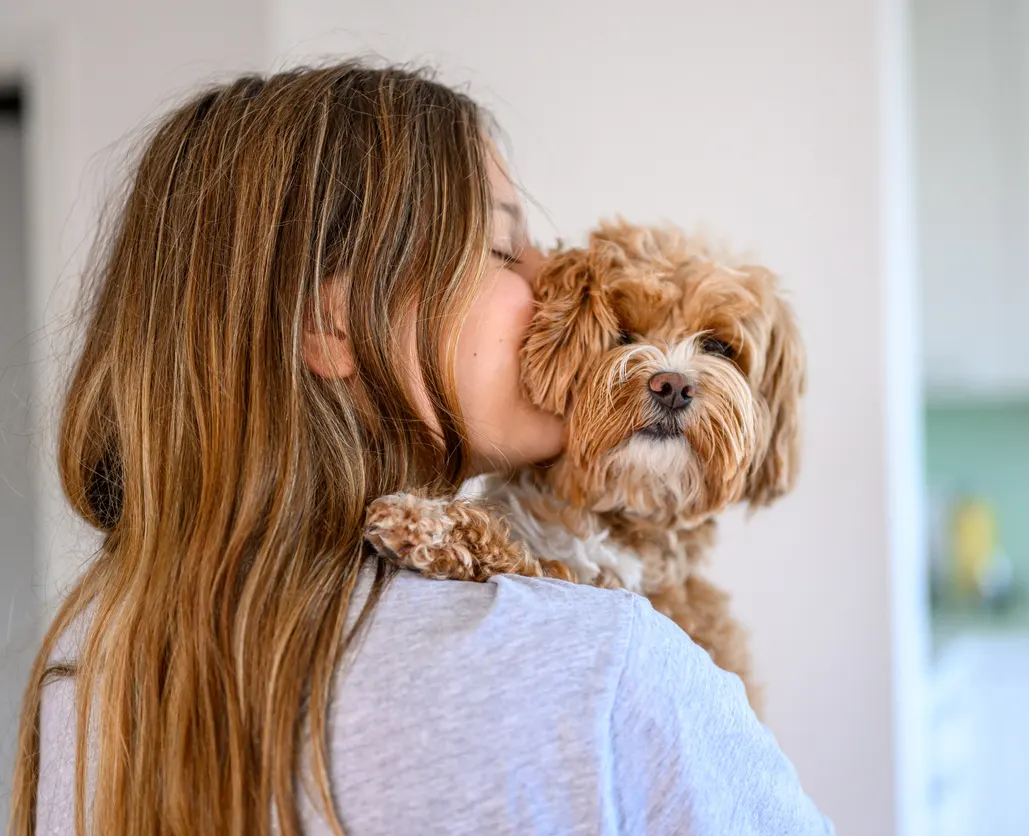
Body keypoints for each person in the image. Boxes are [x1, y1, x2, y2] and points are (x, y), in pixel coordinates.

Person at [9, 63, 833, 835]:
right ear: (331, 325)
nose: (558, 279)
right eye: (509, 249)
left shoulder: (93, 676)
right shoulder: (604, 668)